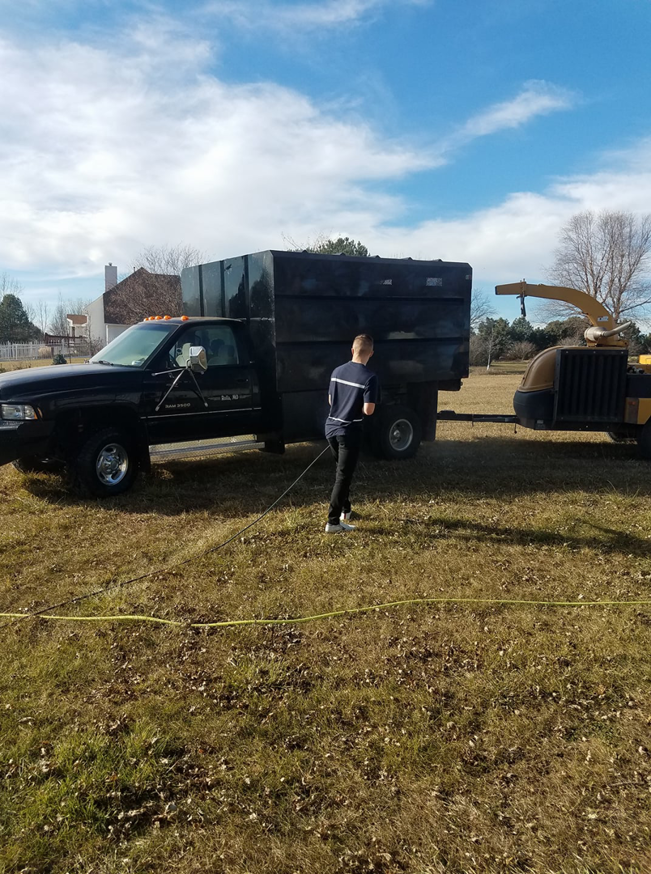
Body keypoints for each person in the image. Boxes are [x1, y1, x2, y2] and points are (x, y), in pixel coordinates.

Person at [324, 334, 379, 534]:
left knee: (341, 472)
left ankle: (345, 511)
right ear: (371, 353)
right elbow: (368, 410)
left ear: (352, 350)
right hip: (349, 432)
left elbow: (331, 401)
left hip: (330, 428)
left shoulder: (337, 371)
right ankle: (333, 522)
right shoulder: (370, 378)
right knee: (343, 476)